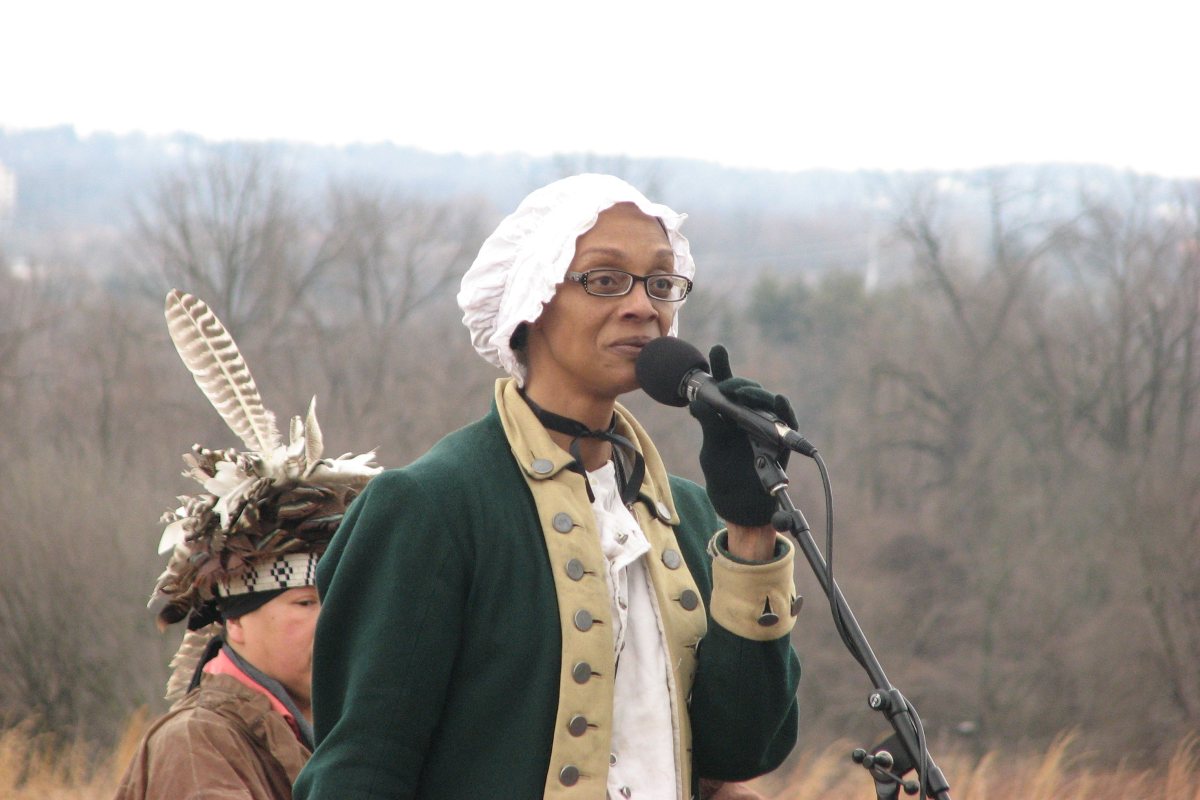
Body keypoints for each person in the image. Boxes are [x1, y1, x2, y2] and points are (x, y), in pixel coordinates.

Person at [294, 174, 801, 800]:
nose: (644, 306)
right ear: (530, 302)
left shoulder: (691, 516)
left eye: (661, 282)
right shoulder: (432, 507)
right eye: (605, 279)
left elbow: (743, 750)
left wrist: (751, 534)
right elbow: (360, 771)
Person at [115, 290, 381, 800]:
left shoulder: (340, 737)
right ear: (235, 617)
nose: (334, 620)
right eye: (306, 602)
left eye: (339, 599)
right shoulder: (195, 744)